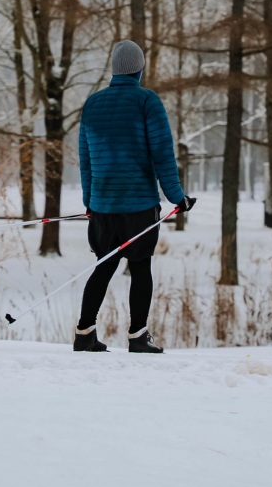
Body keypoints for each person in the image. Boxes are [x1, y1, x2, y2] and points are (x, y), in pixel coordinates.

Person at [75, 40, 196, 353]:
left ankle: (84, 333)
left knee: (104, 265)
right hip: (138, 205)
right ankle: (138, 336)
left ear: (115, 69)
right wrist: (177, 198)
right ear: (139, 68)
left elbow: (85, 159)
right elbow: (162, 155)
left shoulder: (92, 104)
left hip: (102, 205)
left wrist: (90, 202)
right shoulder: (147, 101)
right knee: (140, 266)